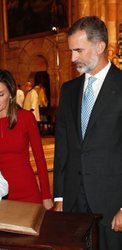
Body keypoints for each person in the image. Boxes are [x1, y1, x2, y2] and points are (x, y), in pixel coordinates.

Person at [53, 16, 122, 250]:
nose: (72, 58)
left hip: (111, 203)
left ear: (100, 47)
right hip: (73, 202)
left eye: (78, 50)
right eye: (71, 51)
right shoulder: (68, 90)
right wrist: (60, 197)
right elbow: (63, 148)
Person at [0, 69, 52, 208]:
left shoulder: (26, 118)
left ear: (10, 94)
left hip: (28, 192)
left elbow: (40, 159)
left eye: (0, 94)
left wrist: (46, 195)